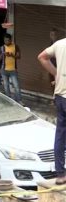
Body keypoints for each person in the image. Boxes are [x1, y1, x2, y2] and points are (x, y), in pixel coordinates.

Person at [38, 38, 66, 184]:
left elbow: (41, 57)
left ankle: (61, 174)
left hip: (61, 97)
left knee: (61, 135)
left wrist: (56, 73)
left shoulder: (60, 44)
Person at [0, 34, 22, 103]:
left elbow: (19, 56)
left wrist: (12, 55)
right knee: (6, 86)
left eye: (8, 40)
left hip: (13, 70)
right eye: (5, 40)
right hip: (4, 70)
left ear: (11, 40)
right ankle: (9, 101)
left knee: (16, 86)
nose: (6, 42)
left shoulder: (15, 47)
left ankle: (19, 100)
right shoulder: (2, 48)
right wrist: (2, 54)